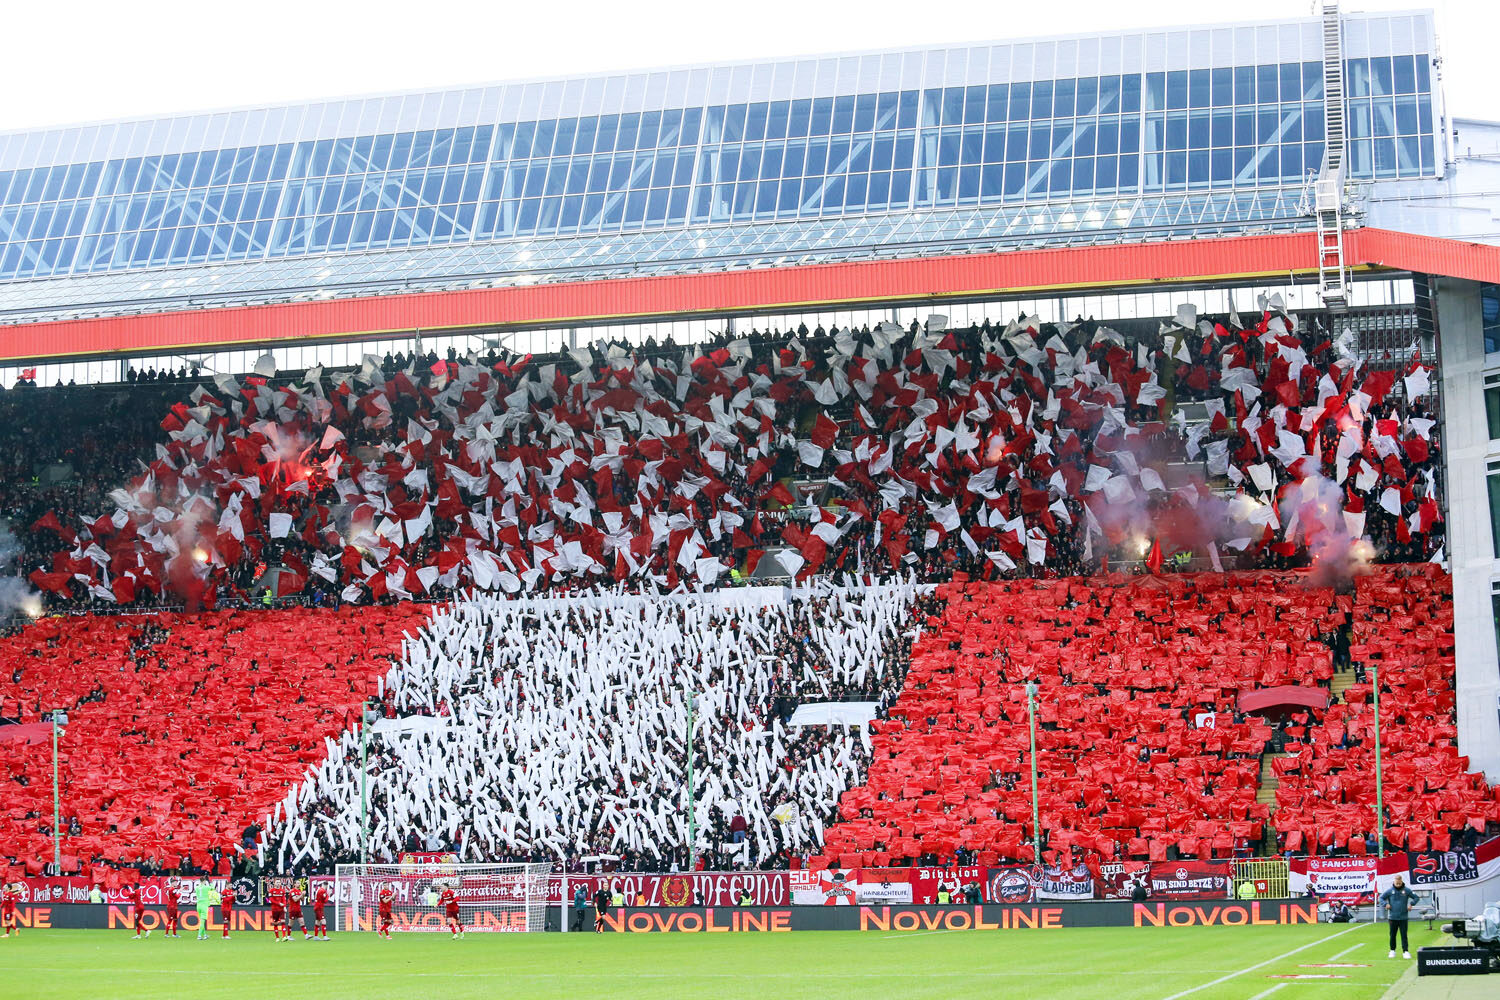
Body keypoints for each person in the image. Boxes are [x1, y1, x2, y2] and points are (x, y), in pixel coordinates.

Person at [1380, 876, 1419, 959]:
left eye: (1399, 883)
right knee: (1392, 935)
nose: (1398, 884)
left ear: (1401, 881)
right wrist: (1385, 904)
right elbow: (1380, 898)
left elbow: (1416, 897)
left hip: (1403, 917)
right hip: (1392, 917)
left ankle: (1405, 951)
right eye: (1396, 883)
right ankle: (1392, 951)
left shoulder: (1407, 890)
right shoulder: (1390, 891)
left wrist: (1411, 904)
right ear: (1394, 882)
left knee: (1404, 935)